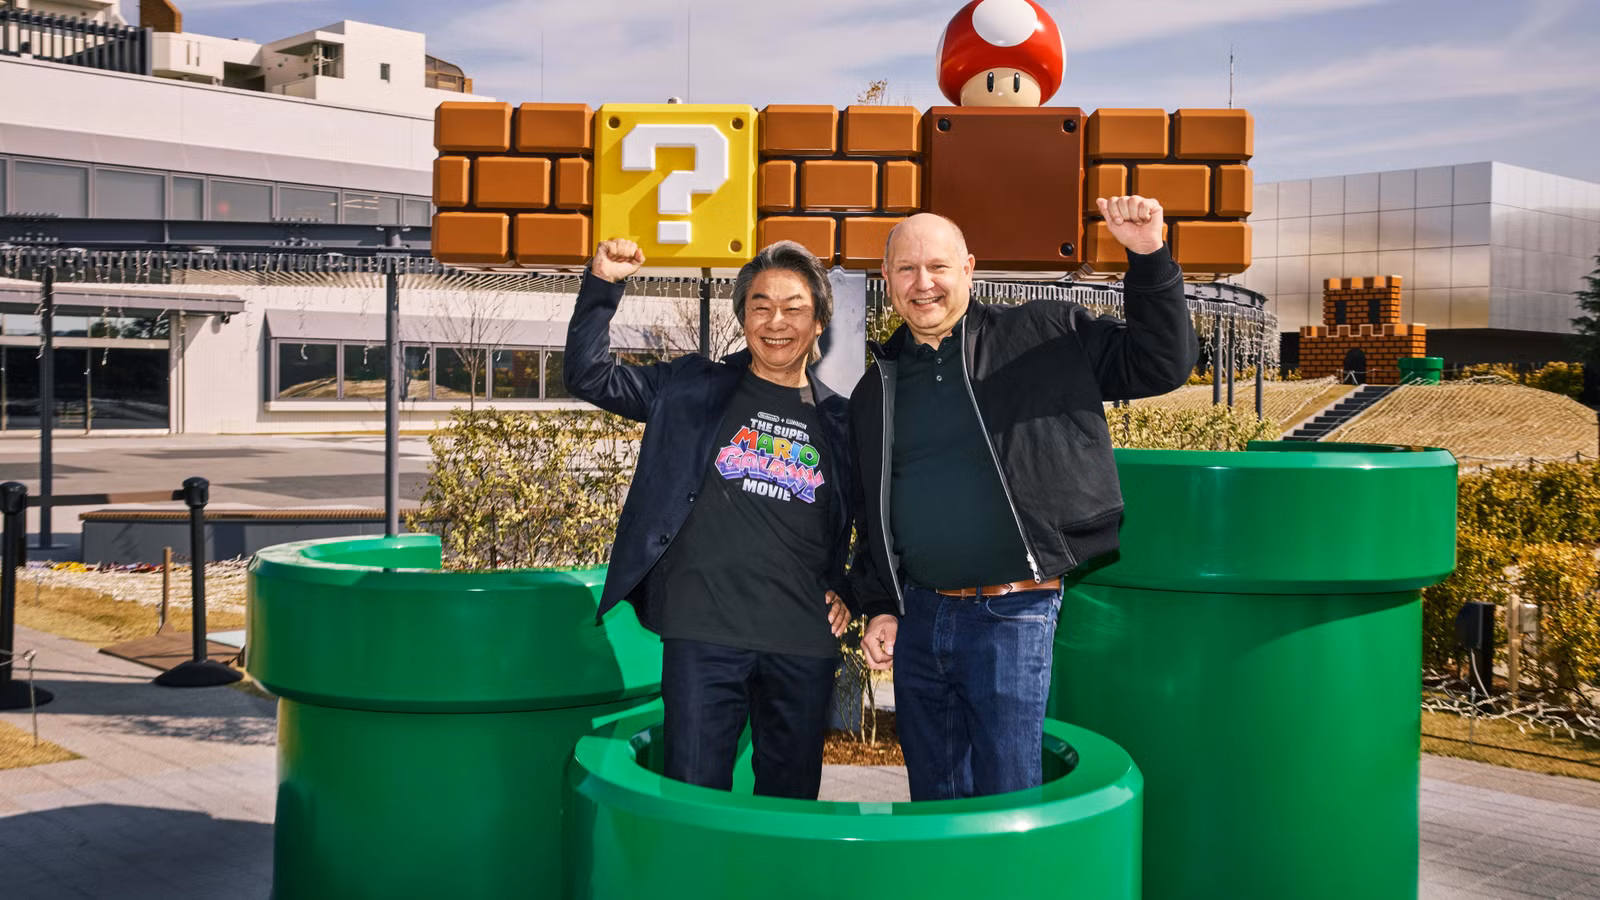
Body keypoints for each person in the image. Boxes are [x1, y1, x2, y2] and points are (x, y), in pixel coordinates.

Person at [851, 198, 1198, 800]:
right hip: (920, 618)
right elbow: (872, 509)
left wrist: (1147, 255)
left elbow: (1162, 363)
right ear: (887, 281)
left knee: (1008, 799)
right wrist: (881, 605)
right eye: (905, 269)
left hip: (1012, 615)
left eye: (938, 266)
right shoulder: (875, 385)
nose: (923, 283)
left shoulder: (1043, 334)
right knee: (935, 801)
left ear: (969, 269)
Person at [565, 238, 855, 799]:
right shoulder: (689, 387)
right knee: (693, 801)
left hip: (802, 642)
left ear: (819, 320)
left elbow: (869, 519)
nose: (776, 321)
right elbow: (588, 375)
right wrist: (603, 283)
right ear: (743, 317)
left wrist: (851, 590)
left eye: (794, 308)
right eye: (760, 306)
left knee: (789, 809)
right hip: (703, 638)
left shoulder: (842, 420)